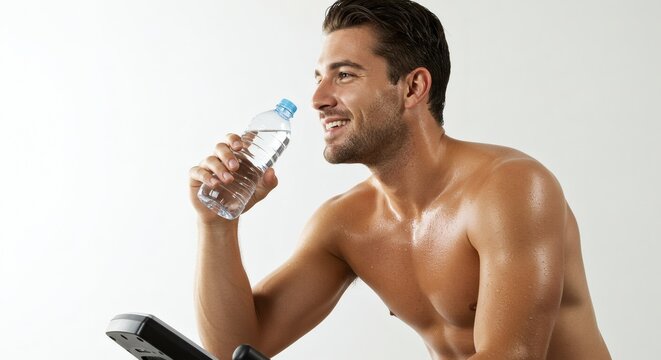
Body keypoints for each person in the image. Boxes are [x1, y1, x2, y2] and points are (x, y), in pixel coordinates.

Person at [188, 0, 611, 359]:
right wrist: (218, 224)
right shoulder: (345, 224)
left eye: (345, 75)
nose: (318, 99)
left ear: (413, 88)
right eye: (318, 77)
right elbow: (236, 348)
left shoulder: (511, 189)